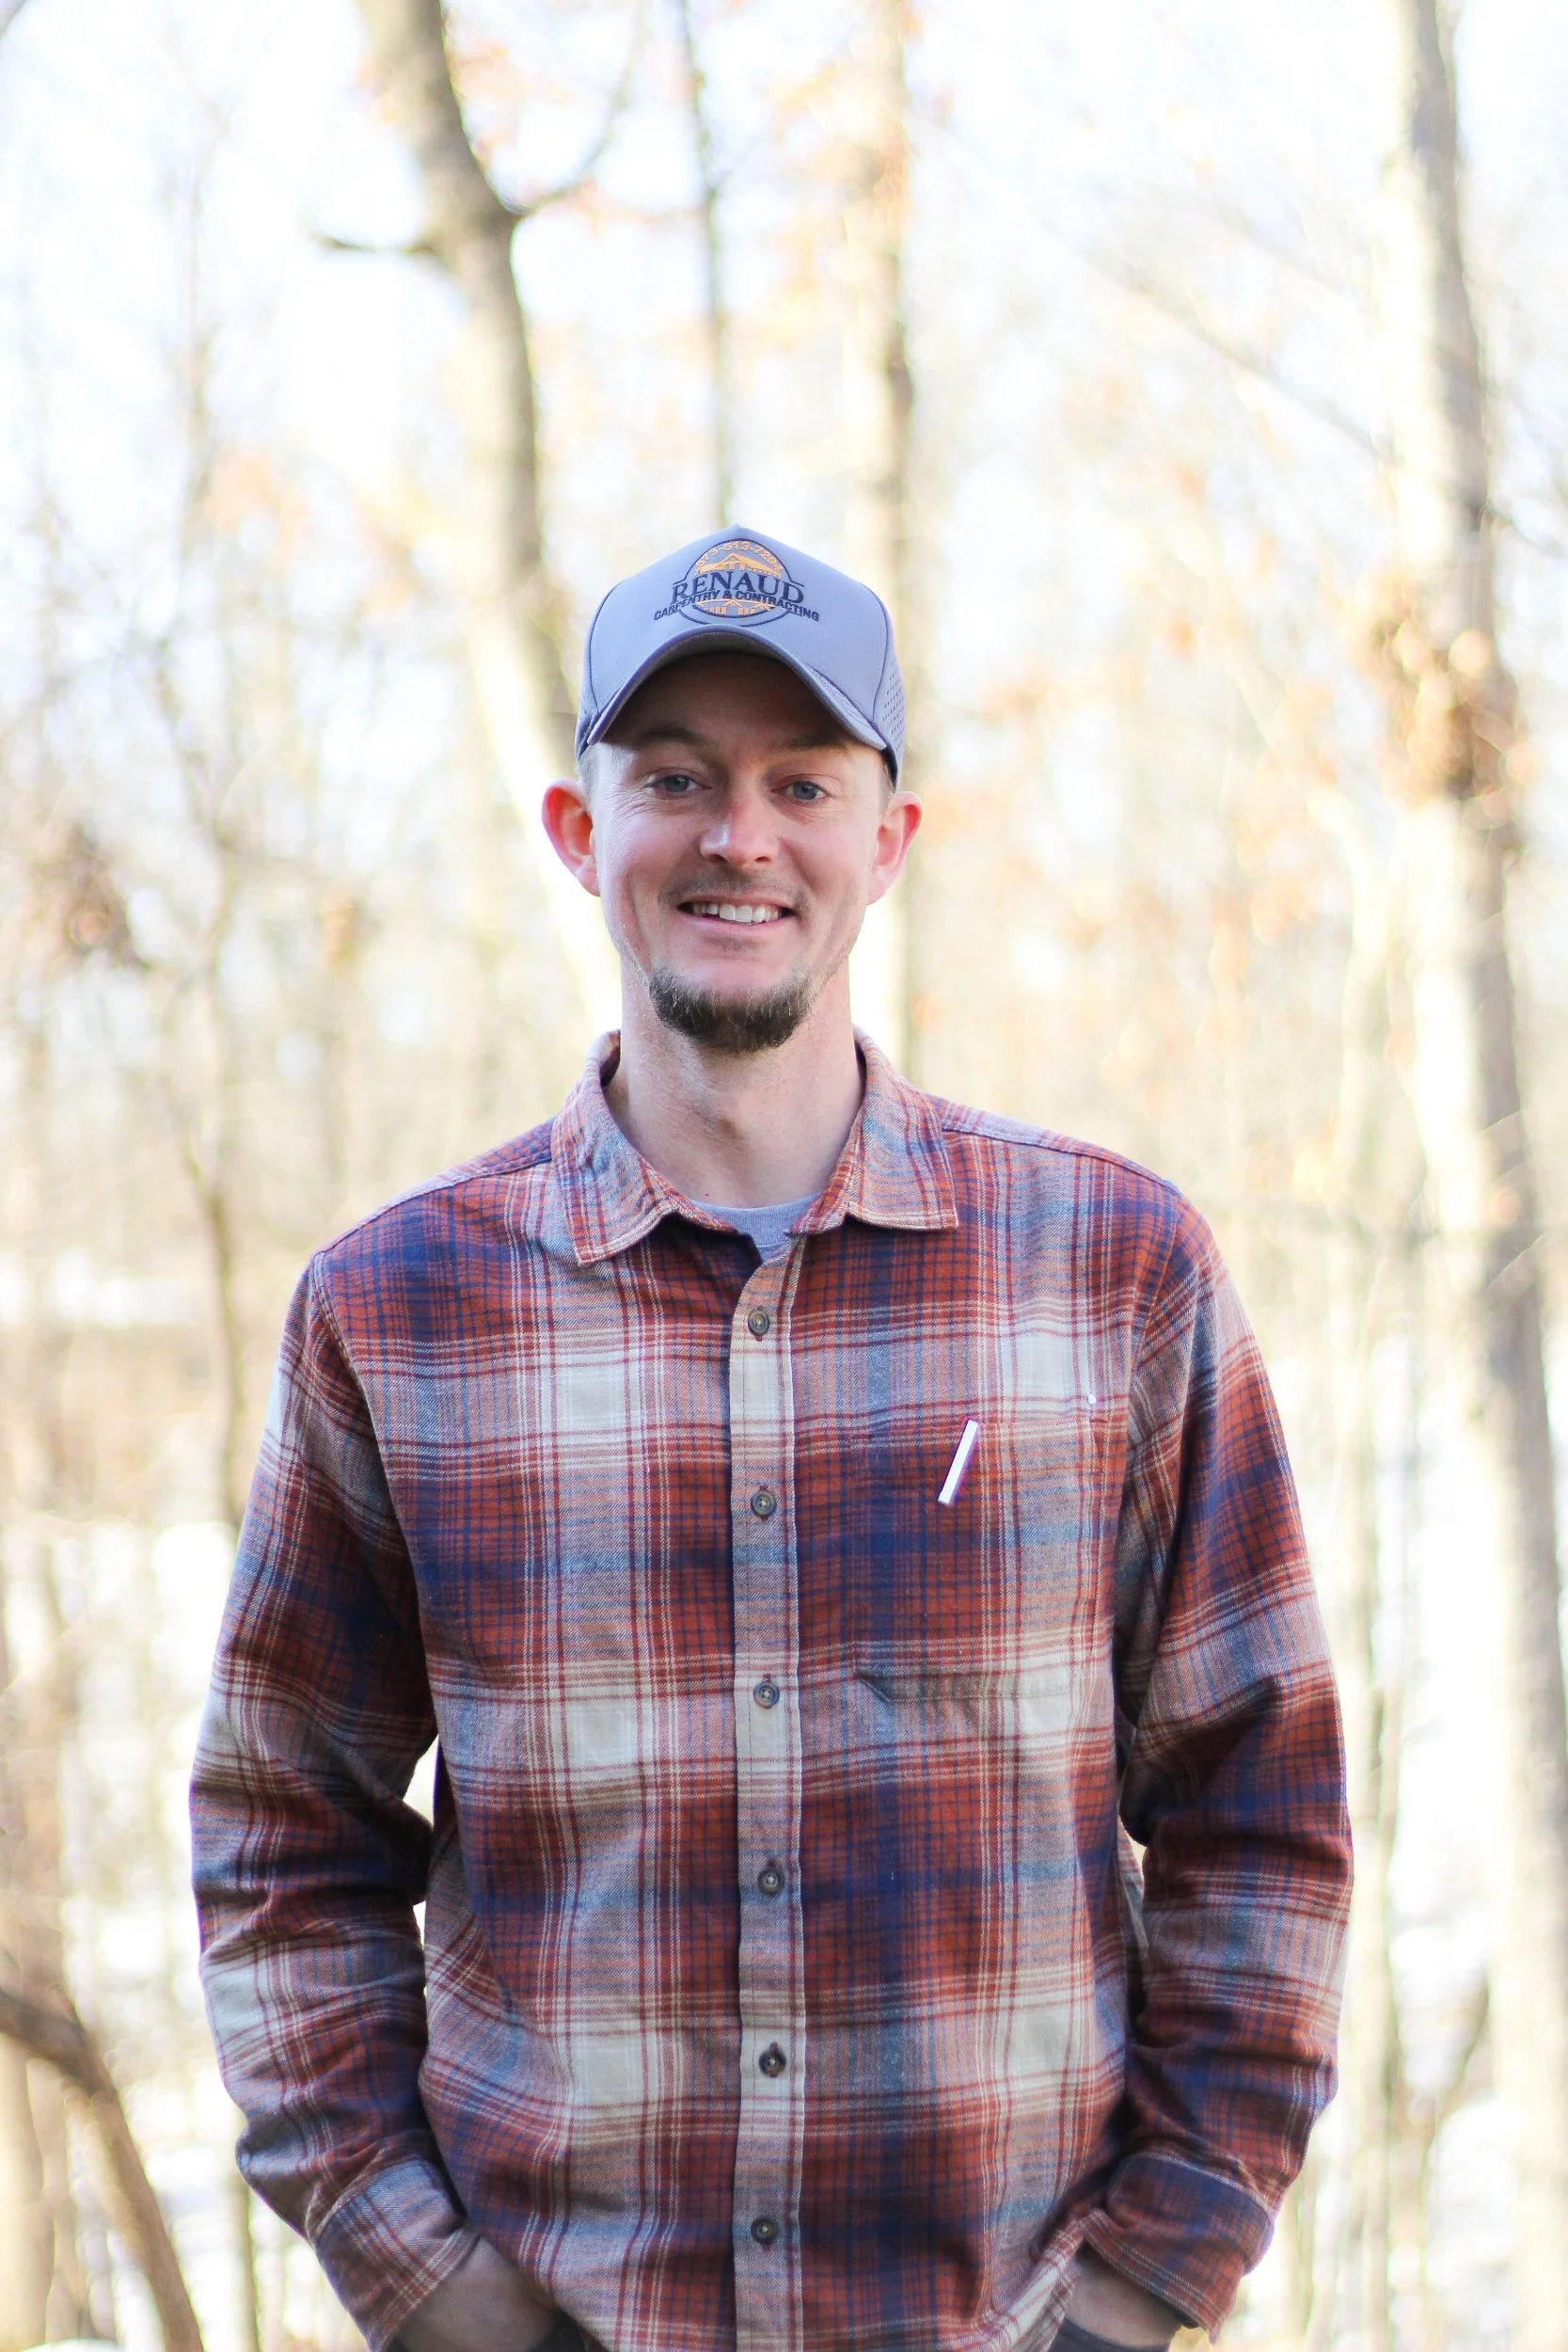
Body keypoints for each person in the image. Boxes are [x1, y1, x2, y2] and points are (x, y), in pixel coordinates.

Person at [191, 529, 1352, 2352]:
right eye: (675, 778)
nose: (740, 834)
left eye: (798, 780)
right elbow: (282, 1837)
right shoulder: (395, 1307)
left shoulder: (1108, 1268)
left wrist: (1141, 2278)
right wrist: (431, 2284)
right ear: (581, 830)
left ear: (884, 840)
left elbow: (1256, 1803)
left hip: (1014, 2307)